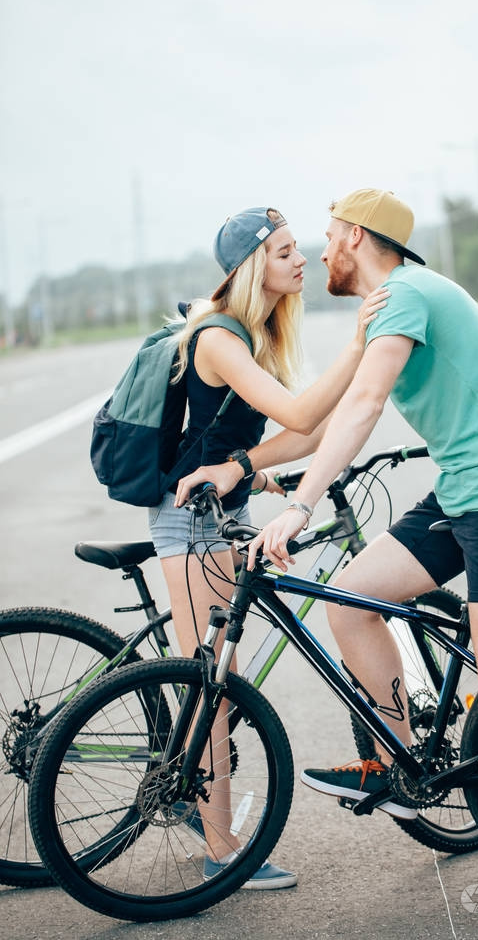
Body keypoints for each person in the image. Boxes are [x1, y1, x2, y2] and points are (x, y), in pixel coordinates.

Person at [236, 188, 478, 928]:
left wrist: (302, 506)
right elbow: (333, 417)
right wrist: (265, 473)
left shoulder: (403, 291)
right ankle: (399, 760)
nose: (319, 253)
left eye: (329, 236)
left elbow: (366, 404)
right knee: (351, 596)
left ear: (358, 239)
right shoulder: (394, 302)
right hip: (465, 490)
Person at [150, 205, 388, 890]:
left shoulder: (251, 334)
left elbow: (306, 438)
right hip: (190, 520)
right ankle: (221, 850)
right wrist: (359, 343)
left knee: (217, 680)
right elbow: (305, 415)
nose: (302, 258)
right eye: (286, 251)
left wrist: (251, 472)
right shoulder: (219, 337)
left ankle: (210, 817)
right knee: (212, 690)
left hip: (222, 509)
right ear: (255, 264)